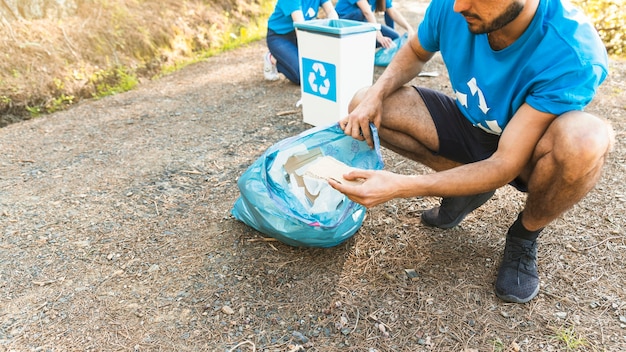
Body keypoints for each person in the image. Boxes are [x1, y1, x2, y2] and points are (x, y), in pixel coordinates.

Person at [329, 0, 614, 304]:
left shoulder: (572, 51)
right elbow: (414, 51)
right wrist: (376, 93)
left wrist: (402, 185)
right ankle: (467, 189)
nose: (458, 7)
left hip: (529, 150)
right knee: (363, 104)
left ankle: (524, 235)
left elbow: (505, 163)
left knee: (585, 140)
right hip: (473, 124)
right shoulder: (453, 5)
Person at [264, 0, 338, 84]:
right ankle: (272, 59)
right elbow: (300, 27)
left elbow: (331, 12)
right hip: (280, 36)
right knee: (304, 77)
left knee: (322, 67)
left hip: (300, 34)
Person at [335, 0, 415, 48]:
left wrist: (409, 28)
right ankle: (354, 47)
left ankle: (363, 47)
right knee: (359, 13)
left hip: (362, 24)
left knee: (394, 37)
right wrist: (379, 36)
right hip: (342, 25)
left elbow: (392, 12)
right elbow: (367, 12)